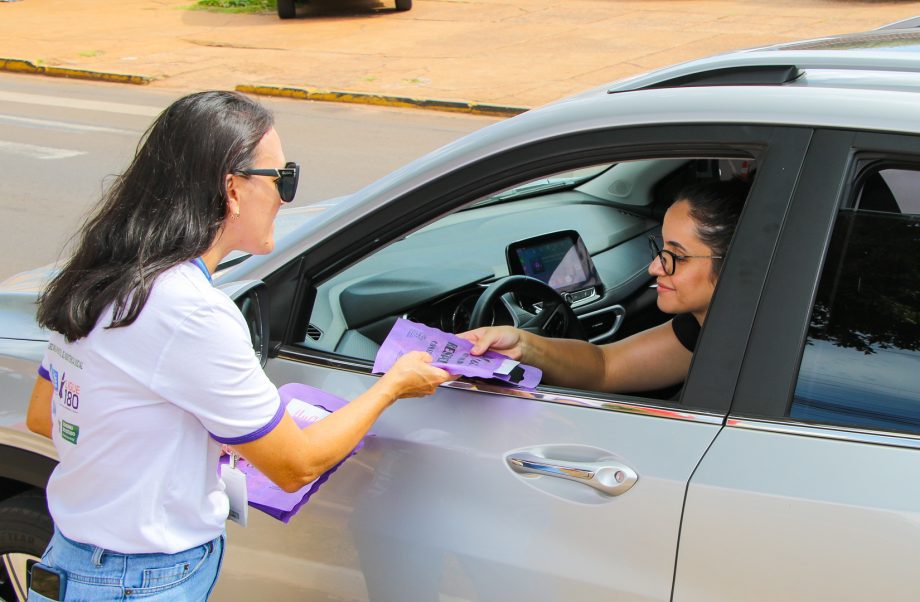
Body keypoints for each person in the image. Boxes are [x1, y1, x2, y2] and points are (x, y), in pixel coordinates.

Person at [25, 90, 450, 601]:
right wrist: (394, 384)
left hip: (77, 560)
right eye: (282, 178)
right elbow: (296, 466)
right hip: (141, 580)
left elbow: (46, 414)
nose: (285, 197)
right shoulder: (191, 311)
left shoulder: (102, 276)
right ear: (232, 189)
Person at [460, 178, 750, 394]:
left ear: (736, 263)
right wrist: (523, 344)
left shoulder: (760, 355)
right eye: (660, 249)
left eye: (677, 256)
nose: (655, 267)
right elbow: (605, 366)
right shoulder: (701, 327)